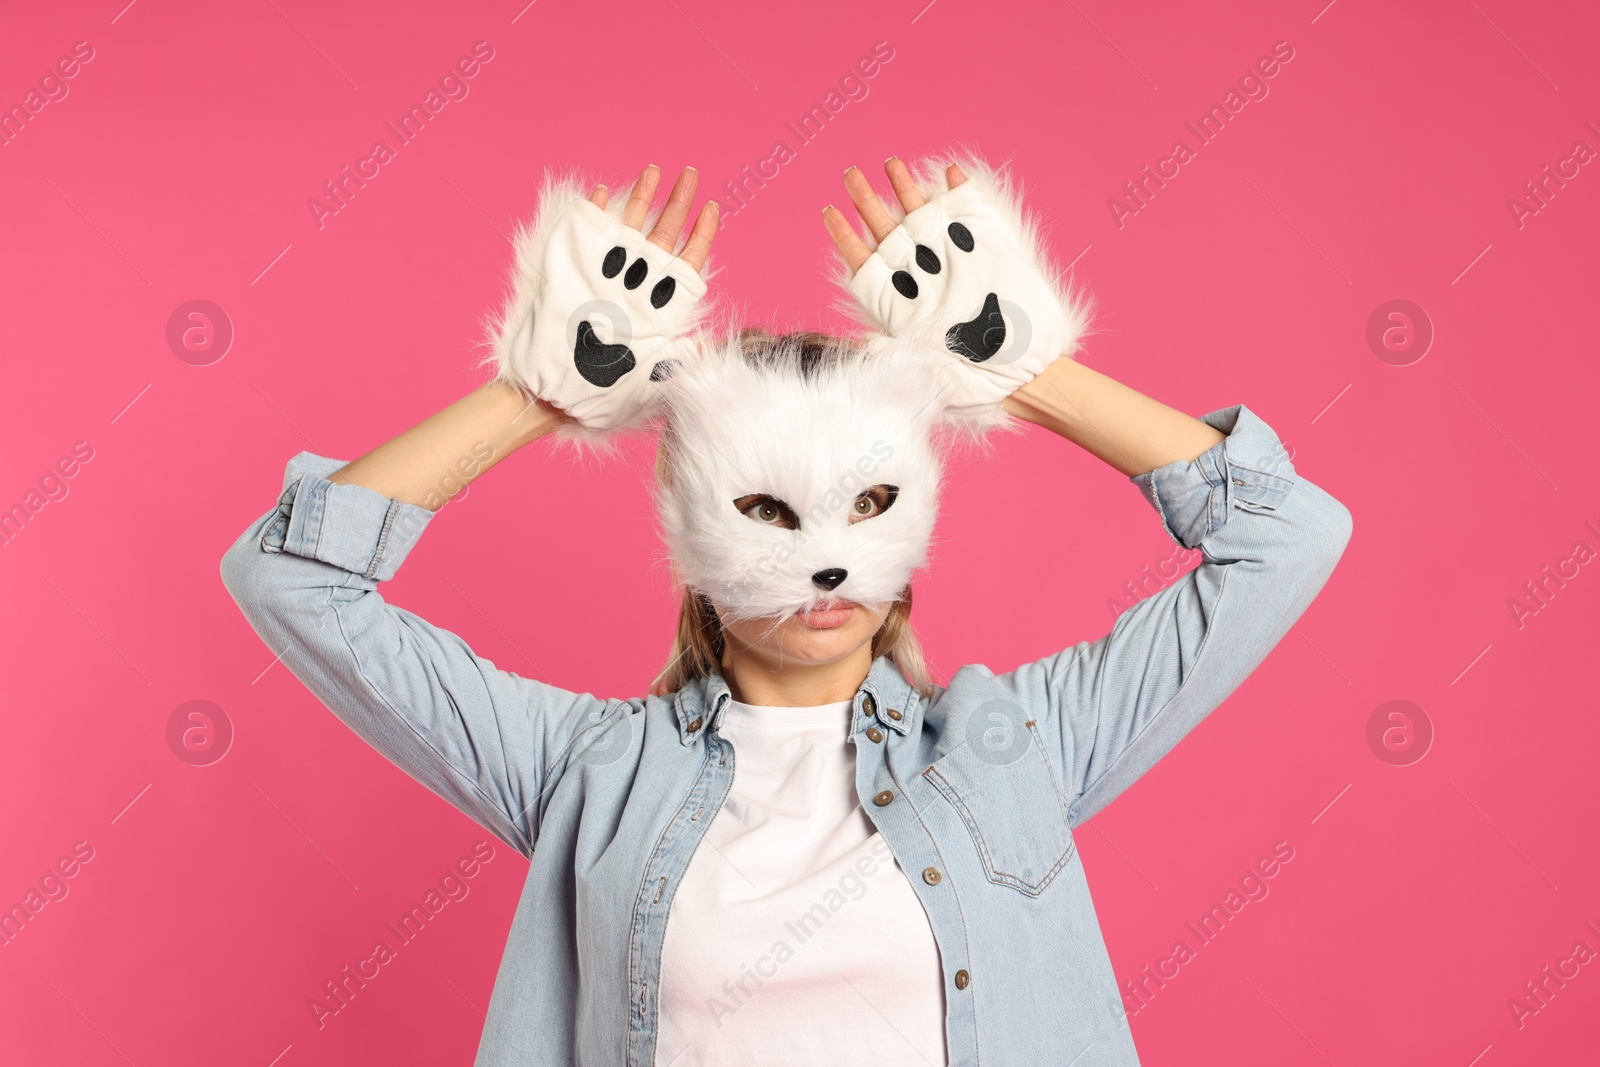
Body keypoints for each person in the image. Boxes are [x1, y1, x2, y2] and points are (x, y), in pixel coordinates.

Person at [220, 156, 1352, 1066]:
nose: (823, 560)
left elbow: (1285, 534)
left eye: (867, 502)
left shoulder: (1011, 749)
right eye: (765, 507)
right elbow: (292, 578)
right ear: (692, 544)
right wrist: (537, 393)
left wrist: (1024, 377)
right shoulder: (585, 773)